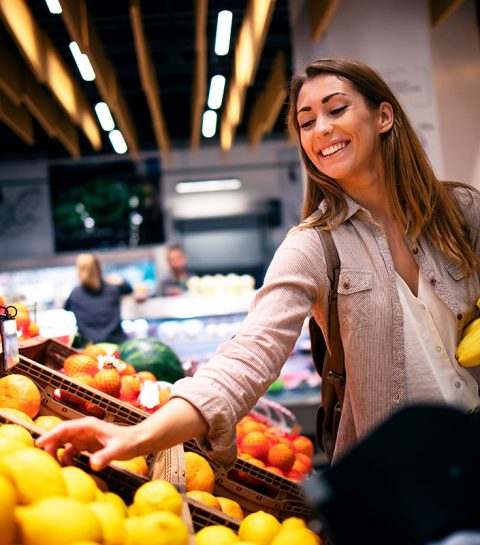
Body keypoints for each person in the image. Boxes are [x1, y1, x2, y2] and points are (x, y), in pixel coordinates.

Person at [37, 58, 480, 473]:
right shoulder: (314, 246)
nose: (321, 129)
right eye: (306, 122)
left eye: (336, 110)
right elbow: (249, 353)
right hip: (395, 477)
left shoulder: (461, 212)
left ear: (384, 116)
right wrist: (139, 434)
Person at [65, 253, 135, 345]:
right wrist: (120, 280)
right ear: (99, 268)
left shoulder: (75, 293)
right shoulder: (113, 288)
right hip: (117, 344)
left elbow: (67, 308)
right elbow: (129, 289)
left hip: (89, 347)